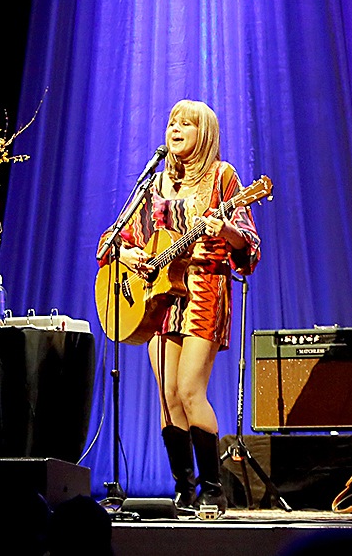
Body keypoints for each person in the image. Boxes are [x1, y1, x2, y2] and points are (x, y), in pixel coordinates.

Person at [97, 99, 261, 513]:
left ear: (203, 133)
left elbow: (249, 243)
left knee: (190, 390)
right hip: (159, 300)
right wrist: (129, 256)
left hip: (204, 291)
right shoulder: (156, 185)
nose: (176, 128)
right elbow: (117, 239)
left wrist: (226, 229)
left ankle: (213, 489)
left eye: (186, 124)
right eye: (172, 121)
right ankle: (184, 489)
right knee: (168, 395)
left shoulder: (224, 178)